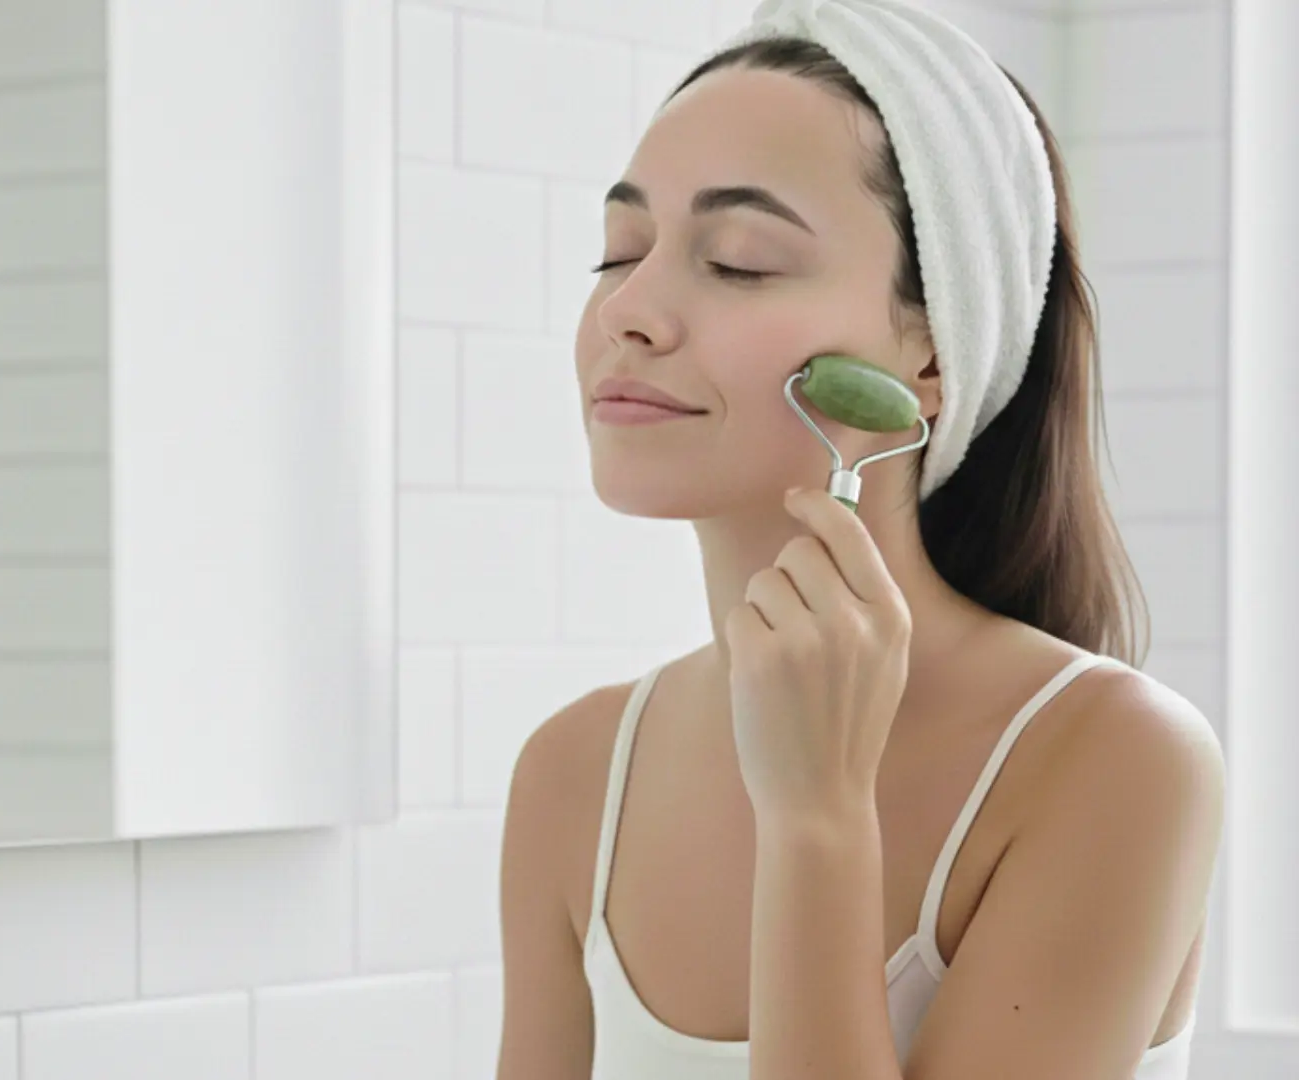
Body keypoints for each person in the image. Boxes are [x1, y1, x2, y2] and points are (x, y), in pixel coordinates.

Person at [494, 4, 1226, 1079]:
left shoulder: (1116, 760)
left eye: (738, 261)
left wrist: (818, 821)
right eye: (620, 253)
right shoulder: (573, 775)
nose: (629, 312)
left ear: (930, 361)